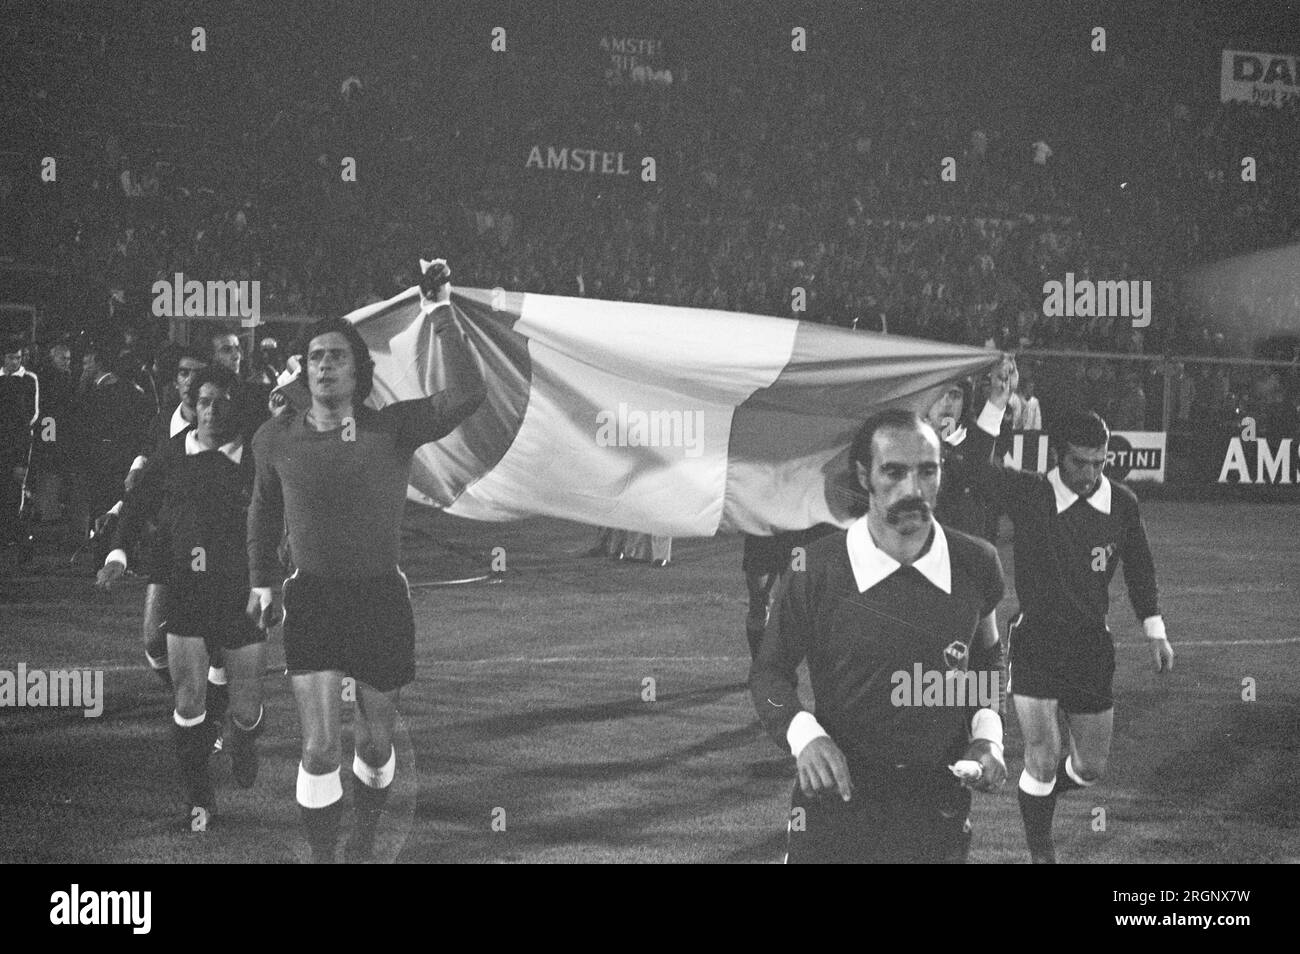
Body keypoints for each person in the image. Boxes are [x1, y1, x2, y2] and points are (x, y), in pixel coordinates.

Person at [247, 259, 486, 863]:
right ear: (303, 370)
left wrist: (441, 311)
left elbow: (468, 394)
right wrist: (262, 582)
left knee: (375, 745)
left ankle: (366, 834)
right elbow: (261, 510)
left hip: (381, 599)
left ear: (358, 371)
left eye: (337, 356)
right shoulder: (273, 436)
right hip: (313, 600)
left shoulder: (393, 428)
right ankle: (325, 858)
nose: (324, 364)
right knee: (320, 749)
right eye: (315, 356)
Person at [750, 408, 1008, 863]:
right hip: (836, 806)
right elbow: (770, 672)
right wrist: (804, 735)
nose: (913, 489)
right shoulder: (814, 568)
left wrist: (988, 734)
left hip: (937, 810)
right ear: (863, 475)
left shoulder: (976, 563)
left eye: (927, 471)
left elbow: (986, 659)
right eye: (894, 471)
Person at [974, 409, 1174, 863]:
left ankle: (1035, 794)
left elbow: (1140, 565)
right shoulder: (1030, 492)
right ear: (1058, 455)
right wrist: (995, 403)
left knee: (1089, 767)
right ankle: (1042, 854)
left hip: (1090, 646)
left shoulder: (1122, 503)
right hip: (1037, 641)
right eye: (1079, 462)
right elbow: (972, 470)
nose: (1089, 473)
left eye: (1099, 462)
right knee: (1043, 754)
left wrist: (1154, 629)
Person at [97, 365, 266, 829]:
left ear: (237, 405)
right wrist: (116, 553)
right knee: (189, 701)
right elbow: (136, 507)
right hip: (186, 589)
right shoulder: (173, 452)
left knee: (247, 710)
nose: (211, 411)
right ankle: (199, 796)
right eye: (204, 401)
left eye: (221, 401)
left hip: (239, 592)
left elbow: (280, 514)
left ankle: (244, 739)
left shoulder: (255, 455)